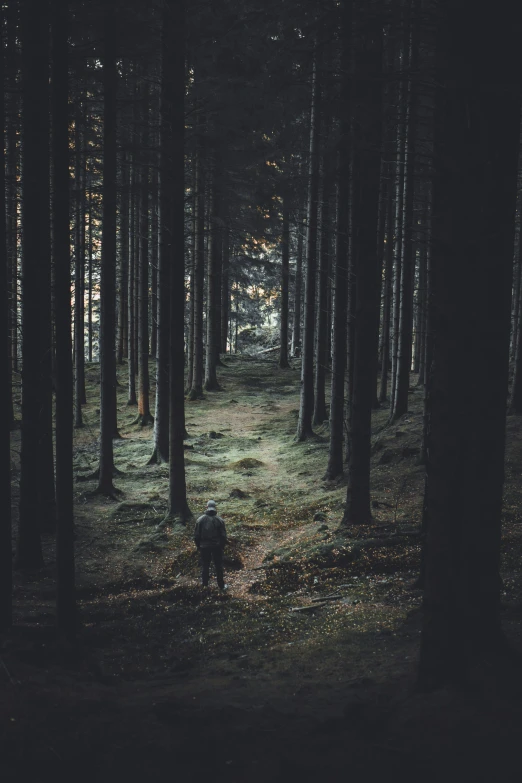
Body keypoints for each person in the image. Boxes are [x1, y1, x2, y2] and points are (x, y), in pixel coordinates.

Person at [194, 500, 228, 589]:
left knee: (205, 565)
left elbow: (196, 536)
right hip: (217, 546)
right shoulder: (220, 520)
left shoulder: (200, 520)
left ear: (206, 507)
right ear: (215, 508)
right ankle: (221, 585)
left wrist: (198, 546)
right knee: (218, 566)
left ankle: (205, 585)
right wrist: (222, 546)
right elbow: (223, 536)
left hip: (204, 547)